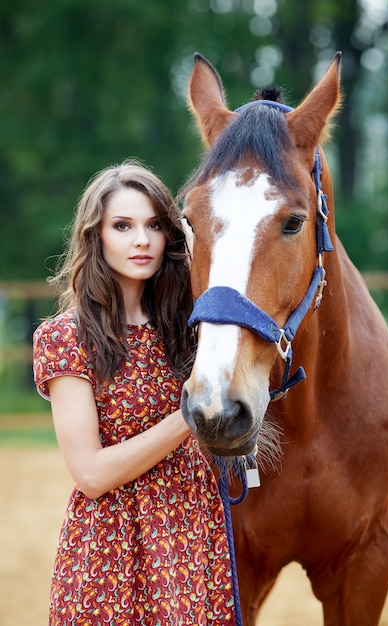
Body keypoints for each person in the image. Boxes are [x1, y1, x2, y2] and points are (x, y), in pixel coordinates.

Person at [33, 159, 236, 625]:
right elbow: (90, 474)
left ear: (172, 236)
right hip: (113, 550)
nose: (142, 240)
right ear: (95, 235)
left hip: (192, 540)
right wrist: (189, 414)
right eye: (122, 225)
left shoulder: (193, 330)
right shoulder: (67, 338)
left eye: (154, 226)